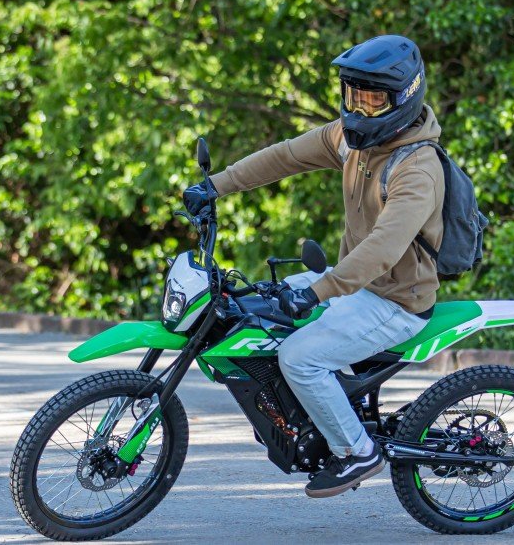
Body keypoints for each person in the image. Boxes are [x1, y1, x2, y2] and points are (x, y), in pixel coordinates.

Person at [182, 35, 446, 498]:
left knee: (300, 358)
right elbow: (285, 156)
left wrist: (318, 290)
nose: (359, 110)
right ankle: (306, 417)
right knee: (253, 311)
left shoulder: (417, 169)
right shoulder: (350, 141)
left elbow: (382, 249)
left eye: (373, 100)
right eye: (353, 97)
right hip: (354, 287)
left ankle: (356, 451)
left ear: (405, 97)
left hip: (394, 302)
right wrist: (215, 186)